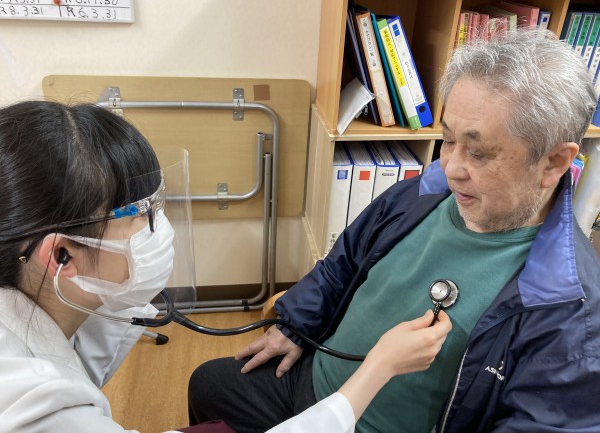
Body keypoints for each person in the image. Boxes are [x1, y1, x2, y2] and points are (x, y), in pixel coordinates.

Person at [188, 28, 600, 433]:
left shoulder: (572, 309)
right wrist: (296, 326)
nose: (452, 168)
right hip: (312, 381)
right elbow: (343, 262)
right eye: (448, 139)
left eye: (478, 152)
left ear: (553, 163)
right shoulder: (421, 193)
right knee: (207, 385)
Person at [0, 100, 451, 433]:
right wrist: (377, 369)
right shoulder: (35, 404)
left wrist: (295, 324)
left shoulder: (37, 293)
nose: (159, 229)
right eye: (142, 215)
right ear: (61, 256)